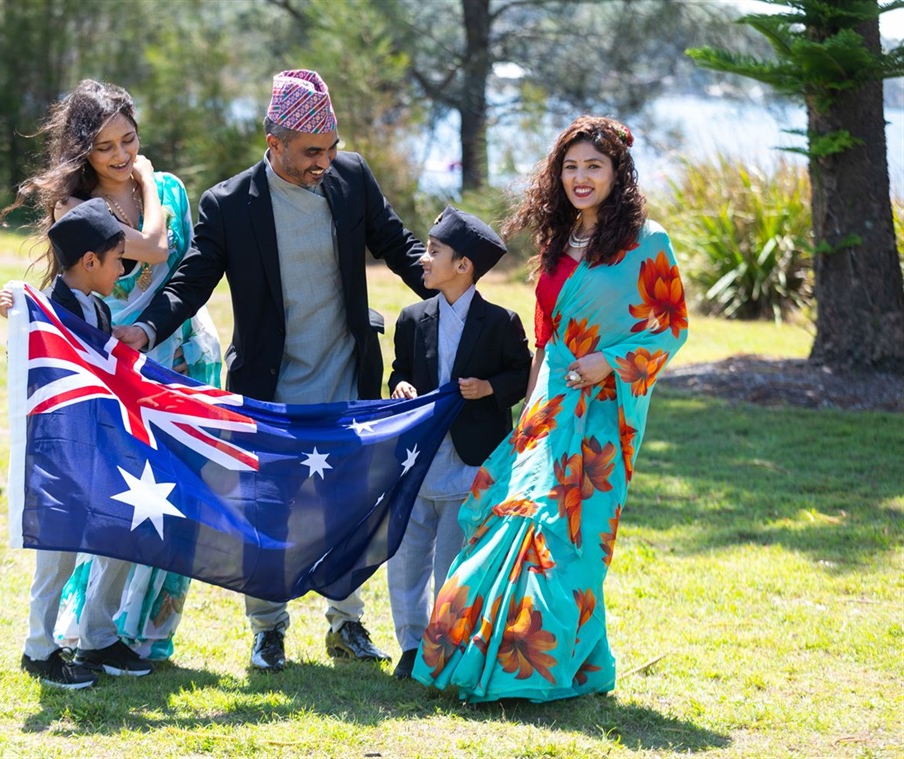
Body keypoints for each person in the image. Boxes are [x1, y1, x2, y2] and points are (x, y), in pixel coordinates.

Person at [115, 69, 433, 672]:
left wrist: (450, 283)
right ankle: (267, 629)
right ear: (275, 142)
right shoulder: (230, 204)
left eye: (332, 148)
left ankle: (347, 623)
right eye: (313, 151)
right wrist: (146, 328)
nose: (326, 161)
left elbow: (397, 244)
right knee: (270, 509)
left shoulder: (351, 177)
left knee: (349, 502)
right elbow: (191, 280)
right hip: (271, 385)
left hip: (347, 375)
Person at [410, 116, 688, 702]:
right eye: (570, 167)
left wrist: (609, 362)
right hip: (548, 406)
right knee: (517, 517)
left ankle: (547, 664)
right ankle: (503, 656)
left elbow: (670, 328)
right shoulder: (557, 243)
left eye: (594, 166)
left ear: (619, 172)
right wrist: (530, 408)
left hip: (603, 415)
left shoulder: (647, 241)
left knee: (573, 537)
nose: (580, 178)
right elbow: (545, 334)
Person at [0, 79, 221, 662]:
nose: (122, 156)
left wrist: (156, 185)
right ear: (82, 153)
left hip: (186, 357)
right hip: (113, 363)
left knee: (177, 501)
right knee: (122, 499)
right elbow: (151, 248)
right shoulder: (79, 208)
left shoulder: (173, 188)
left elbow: (187, 270)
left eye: (130, 141)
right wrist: (148, 181)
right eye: (105, 147)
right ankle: (87, 629)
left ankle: (143, 633)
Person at [386, 206, 532, 680]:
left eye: (433, 251)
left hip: (470, 464)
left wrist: (489, 388)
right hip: (417, 460)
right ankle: (410, 646)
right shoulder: (412, 318)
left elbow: (520, 375)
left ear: (463, 266)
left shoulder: (501, 322)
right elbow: (400, 370)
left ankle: (444, 645)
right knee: (407, 560)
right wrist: (400, 387)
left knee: (452, 560)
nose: (423, 259)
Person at [14, 199, 155, 687]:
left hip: (103, 448)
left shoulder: (97, 307)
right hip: (63, 454)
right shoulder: (45, 310)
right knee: (58, 554)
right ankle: (38, 649)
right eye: (118, 260)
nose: (123, 270)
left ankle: (97, 638)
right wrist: (13, 305)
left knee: (122, 534)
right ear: (90, 262)